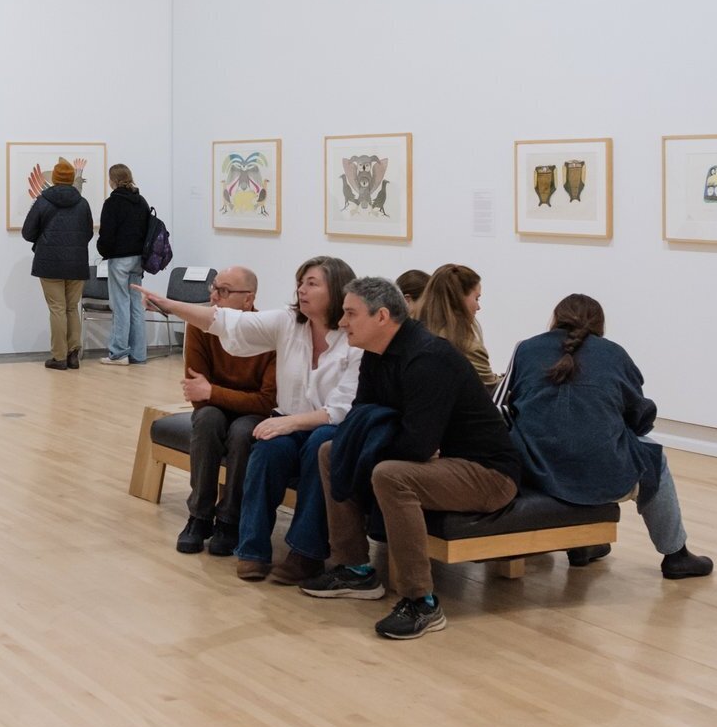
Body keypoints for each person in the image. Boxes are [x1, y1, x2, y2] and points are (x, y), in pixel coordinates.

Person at [303, 277, 521, 640]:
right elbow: (361, 418)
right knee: (332, 450)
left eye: (350, 314)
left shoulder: (429, 358)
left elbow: (417, 446)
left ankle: (422, 601)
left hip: (488, 473)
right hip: (438, 461)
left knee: (391, 474)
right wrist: (370, 448)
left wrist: (381, 450)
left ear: (382, 316)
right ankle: (355, 568)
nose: (342, 323)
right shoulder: (375, 353)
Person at [136, 256, 361, 585]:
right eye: (300, 282)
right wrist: (169, 304)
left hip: (326, 428)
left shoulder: (352, 338)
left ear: (337, 290)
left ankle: (306, 553)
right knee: (266, 450)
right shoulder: (287, 323)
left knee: (316, 443)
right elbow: (227, 323)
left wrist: (288, 423)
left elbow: (340, 410)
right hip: (288, 423)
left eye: (312, 283)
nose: (301, 289)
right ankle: (251, 550)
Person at [504, 294, 711, 579]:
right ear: (599, 324)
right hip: (599, 472)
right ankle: (676, 555)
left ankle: (584, 543)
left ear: (555, 319)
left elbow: (506, 405)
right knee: (652, 458)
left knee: (589, 447)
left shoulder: (527, 349)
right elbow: (638, 413)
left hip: (534, 469)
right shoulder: (614, 354)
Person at [175, 266, 278, 556]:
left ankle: (230, 520)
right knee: (207, 419)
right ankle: (199, 515)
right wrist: (212, 395)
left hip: (252, 412)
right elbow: (198, 395)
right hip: (216, 408)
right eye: (214, 289)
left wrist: (213, 392)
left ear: (249, 300)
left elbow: (266, 401)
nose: (214, 297)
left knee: (244, 431)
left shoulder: (269, 333)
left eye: (224, 291)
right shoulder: (200, 324)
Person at [22, 158, 94, 370]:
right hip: (77, 263)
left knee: (57, 309)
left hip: (49, 263)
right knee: (72, 308)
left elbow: (28, 232)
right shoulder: (82, 203)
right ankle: (73, 354)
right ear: (72, 179)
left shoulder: (43, 201)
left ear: (53, 179)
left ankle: (59, 357)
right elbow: (88, 232)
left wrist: (44, 240)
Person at [96, 163, 151, 366]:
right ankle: (138, 354)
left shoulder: (113, 203)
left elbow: (107, 235)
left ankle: (119, 353)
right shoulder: (141, 201)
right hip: (139, 259)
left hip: (119, 259)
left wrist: (103, 250)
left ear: (113, 180)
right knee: (136, 305)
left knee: (120, 305)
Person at [417, 263, 498, 387]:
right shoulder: (469, 348)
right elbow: (492, 390)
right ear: (459, 298)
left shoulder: (415, 336)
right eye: (477, 298)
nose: (478, 307)